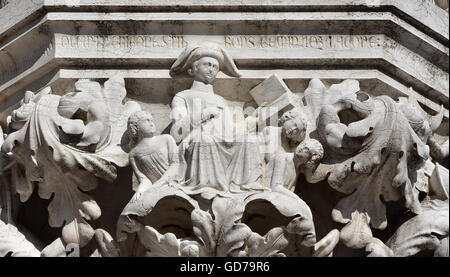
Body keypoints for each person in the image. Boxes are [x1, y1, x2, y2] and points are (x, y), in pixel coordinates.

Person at [169, 43, 263, 192]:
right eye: (207, 64)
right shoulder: (182, 96)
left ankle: (249, 183)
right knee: (204, 139)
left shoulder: (220, 100)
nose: (212, 69)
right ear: (193, 68)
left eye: (215, 67)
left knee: (249, 139)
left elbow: (230, 130)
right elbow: (176, 132)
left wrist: (254, 121)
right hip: (199, 141)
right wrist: (204, 114)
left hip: (222, 140)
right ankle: (208, 185)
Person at [126, 110, 180, 201]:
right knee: (133, 206)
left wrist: (159, 184)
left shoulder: (166, 139)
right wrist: (141, 190)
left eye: (152, 120)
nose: (151, 124)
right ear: (136, 127)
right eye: (147, 121)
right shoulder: (133, 154)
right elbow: (144, 179)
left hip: (174, 183)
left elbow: (175, 164)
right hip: (154, 190)